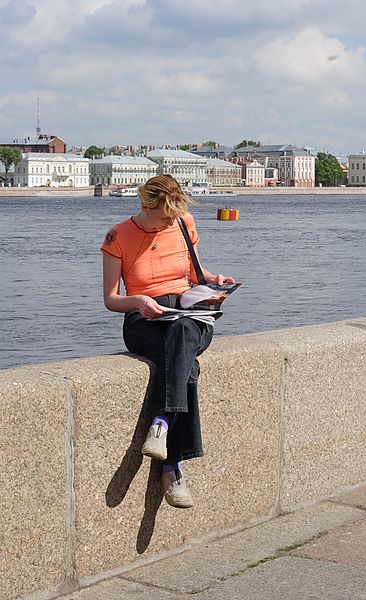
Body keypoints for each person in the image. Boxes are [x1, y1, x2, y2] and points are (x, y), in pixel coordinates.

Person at [101, 174, 236, 509]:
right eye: (164, 216)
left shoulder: (182, 222)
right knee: (186, 367)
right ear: (145, 205)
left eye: (175, 215)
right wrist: (139, 302)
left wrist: (214, 282)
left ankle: (161, 424)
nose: (170, 220)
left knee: (183, 331)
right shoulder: (118, 235)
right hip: (144, 317)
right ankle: (171, 466)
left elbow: (195, 275)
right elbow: (110, 299)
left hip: (189, 313)